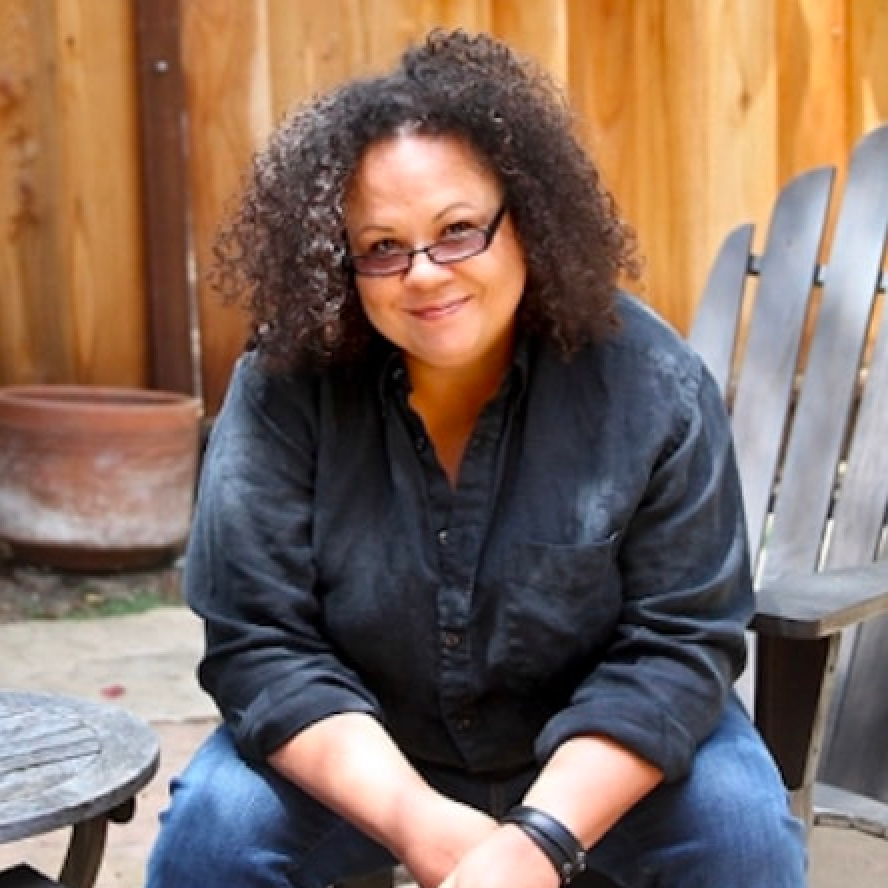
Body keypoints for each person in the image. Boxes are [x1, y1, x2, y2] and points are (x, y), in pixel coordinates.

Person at [144, 28, 806, 888]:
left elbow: (679, 643)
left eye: (459, 230)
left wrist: (539, 838)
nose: (423, 273)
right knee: (212, 837)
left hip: (604, 748)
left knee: (744, 837)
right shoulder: (283, 390)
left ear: (524, 220)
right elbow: (259, 641)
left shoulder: (651, 387)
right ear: (343, 266)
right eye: (382, 246)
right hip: (373, 745)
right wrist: (418, 824)